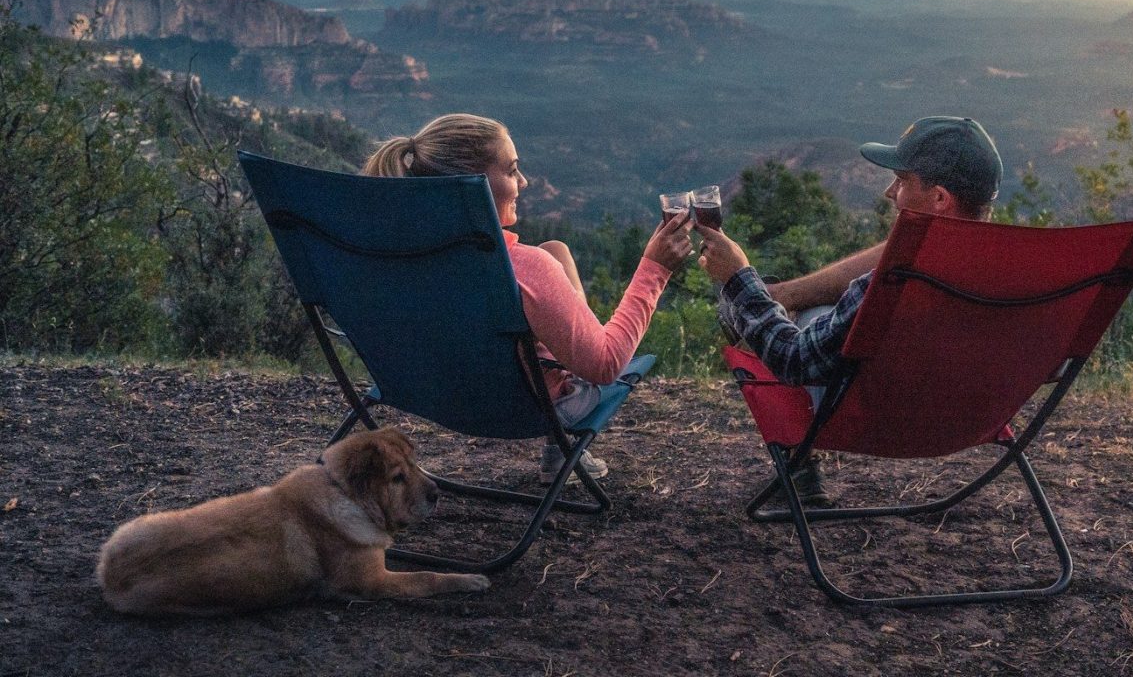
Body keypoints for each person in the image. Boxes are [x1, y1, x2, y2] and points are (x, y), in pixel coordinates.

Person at [362, 113, 694, 484]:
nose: (524, 181)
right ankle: (561, 440)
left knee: (556, 251)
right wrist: (655, 268)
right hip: (523, 407)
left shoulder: (388, 254)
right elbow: (606, 366)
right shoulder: (525, 271)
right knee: (579, 320)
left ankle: (572, 349)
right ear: (473, 183)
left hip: (428, 393)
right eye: (511, 170)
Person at [696, 116, 1002, 504]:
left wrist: (739, 278)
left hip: (875, 417)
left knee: (757, 309)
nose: (890, 192)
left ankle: (800, 470)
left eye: (903, 181)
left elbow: (794, 360)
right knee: (798, 306)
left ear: (940, 199)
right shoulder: (1025, 275)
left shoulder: (893, 287)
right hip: (974, 417)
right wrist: (782, 294)